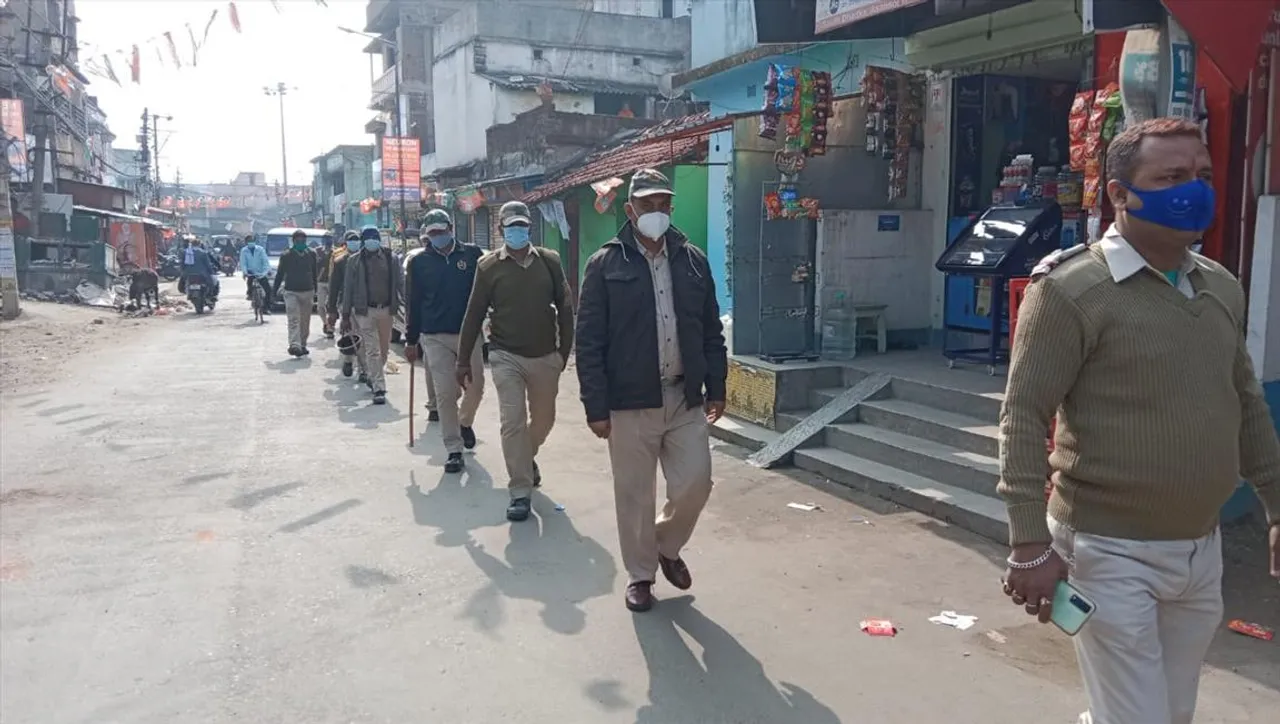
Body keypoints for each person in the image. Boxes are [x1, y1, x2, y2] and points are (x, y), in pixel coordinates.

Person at [998, 117, 1280, 724]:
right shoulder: (1072, 291)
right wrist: (1028, 543)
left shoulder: (1219, 287)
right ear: (1120, 194)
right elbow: (1023, 415)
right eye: (1172, 177)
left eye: (1203, 175)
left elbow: (1245, 401)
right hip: (1106, 549)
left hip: (1201, 548)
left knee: (1170, 712)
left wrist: (1277, 502)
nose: (1195, 190)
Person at [575, 169, 727, 612]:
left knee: (695, 483)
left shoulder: (693, 259)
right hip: (629, 402)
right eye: (647, 205)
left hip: (683, 396)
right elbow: (589, 341)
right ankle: (641, 576)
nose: (656, 213)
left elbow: (710, 330)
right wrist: (594, 406)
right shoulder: (604, 264)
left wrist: (717, 386)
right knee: (635, 495)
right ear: (630, 210)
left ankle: (666, 545)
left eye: (664, 205)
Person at [457, 201, 574, 522]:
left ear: (530, 229)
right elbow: (474, 313)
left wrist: (564, 352)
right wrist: (463, 360)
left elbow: (565, 306)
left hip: (545, 355)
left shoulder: (549, 261)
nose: (517, 232)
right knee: (512, 421)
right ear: (500, 230)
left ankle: (526, 456)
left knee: (545, 419)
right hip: (505, 355)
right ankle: (520, 490)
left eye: (522, 226)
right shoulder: (488, 267)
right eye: (511, 227)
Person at [404, 209, 485, 473]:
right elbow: (413, 302)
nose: (437, 237)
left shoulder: (473, 256)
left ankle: (465, 421)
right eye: (432, 234)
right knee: (445, 394)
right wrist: (411, 339)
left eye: (441, 231)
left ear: (451, 228)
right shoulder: (418, 263)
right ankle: (453, 449)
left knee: (476, 388)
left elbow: (487, 292)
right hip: (434, 336)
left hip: (469, 334)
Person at [340, 226, 402, 405]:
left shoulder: (391, 258)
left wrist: (408, 306)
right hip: (364, 311)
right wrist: (345, 315)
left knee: (383, 350)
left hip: (386, 310)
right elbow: (348, 289)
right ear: (363, 241)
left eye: (375, 237)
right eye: (368, 238)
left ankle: (372, 374)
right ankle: (379, 387)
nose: (371, 241)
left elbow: (400, 283)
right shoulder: (355, 261)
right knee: (372, 349)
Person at [271, 229, 319, 357]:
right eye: (298, 241)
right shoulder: (286, 255)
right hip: (291, 291)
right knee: (293, 319)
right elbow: (280, 274)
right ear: (293, 242)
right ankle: (294, 344)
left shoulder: (312, 254)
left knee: (305, 320)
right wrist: (274, 291)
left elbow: (315, 272)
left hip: (308, 291)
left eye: (303, 240)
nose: (301, 243)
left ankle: (302, 344)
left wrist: (317, 290)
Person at [328, 231, 366, 381]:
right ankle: (349, 361)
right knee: (350, 334)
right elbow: (334, 287)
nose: (354, 242)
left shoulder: (367, 259)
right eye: (351, 240)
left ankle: (363, 370)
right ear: (346, 243)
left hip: (364, 304)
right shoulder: (340, 261)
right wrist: (331, 309)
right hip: (346, 303)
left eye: (357, 240)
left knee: (363, 337)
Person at [179, 235, 221, 301]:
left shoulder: (186, 252)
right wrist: (211, 272)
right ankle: (211, 296)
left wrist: (183, 272)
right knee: (212, 284)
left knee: (181, 284)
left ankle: (188, 293)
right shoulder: (203, 253)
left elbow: (182, 264)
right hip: (202, 273)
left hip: (188, 273)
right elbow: (207, 264)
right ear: (199, 244)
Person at [239, 234, 271, 313]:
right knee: (250, 285)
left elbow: (265, 261)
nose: (251, 242)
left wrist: (265, 272)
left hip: (260, 272)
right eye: (249, 241)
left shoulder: (260, 249)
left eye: (252, 241)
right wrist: (245, 272)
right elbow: (243, 263)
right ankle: (251, 295)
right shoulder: (244, 251)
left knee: (268, 290)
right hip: (250, 273)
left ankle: (266, 308)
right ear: (246, 242)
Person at [316, 236, 336, 338]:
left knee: (332, 306)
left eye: (329, 240)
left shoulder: (336, 252)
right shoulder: (318, 252)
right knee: (320, 306)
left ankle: (331, 326)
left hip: (332, 282)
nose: (328, 243)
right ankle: (325, 323)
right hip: (320, 282)